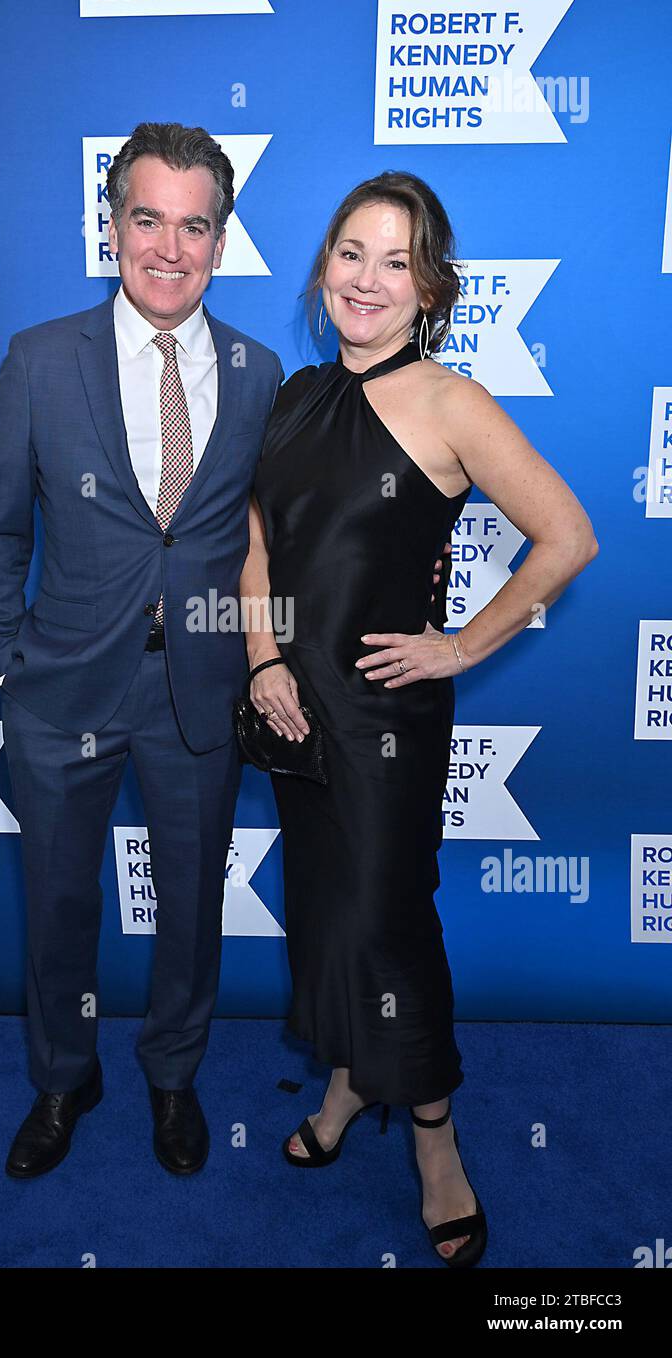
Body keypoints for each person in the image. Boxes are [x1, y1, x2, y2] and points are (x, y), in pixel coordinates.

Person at [241, 171, 598, 1266]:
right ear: (324, 268)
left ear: (429, 286)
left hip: (387, 722)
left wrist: (459, 644)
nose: (367, 279)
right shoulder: (295, 394)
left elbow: (568, 535)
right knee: (322, 915)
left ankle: (436, 1141)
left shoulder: (450, 401)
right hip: (292, 711)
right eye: (352, 252)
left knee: (390, 921)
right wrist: (261, 658)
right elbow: (255, 545)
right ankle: (349, 1084)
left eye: (396, 262)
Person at [0, 122, 286, 1179]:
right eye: (148, 218)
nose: (170, 247)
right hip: (60, 689)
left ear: (222, 241)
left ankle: (173, 1074)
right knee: (58, 902)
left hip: (196, 689)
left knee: (191, 904)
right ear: (112, 227)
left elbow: (267, 536)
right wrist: (13, 661)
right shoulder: (39, 358)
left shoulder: (257, 370)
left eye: (196, 226)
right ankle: (64, 1076)